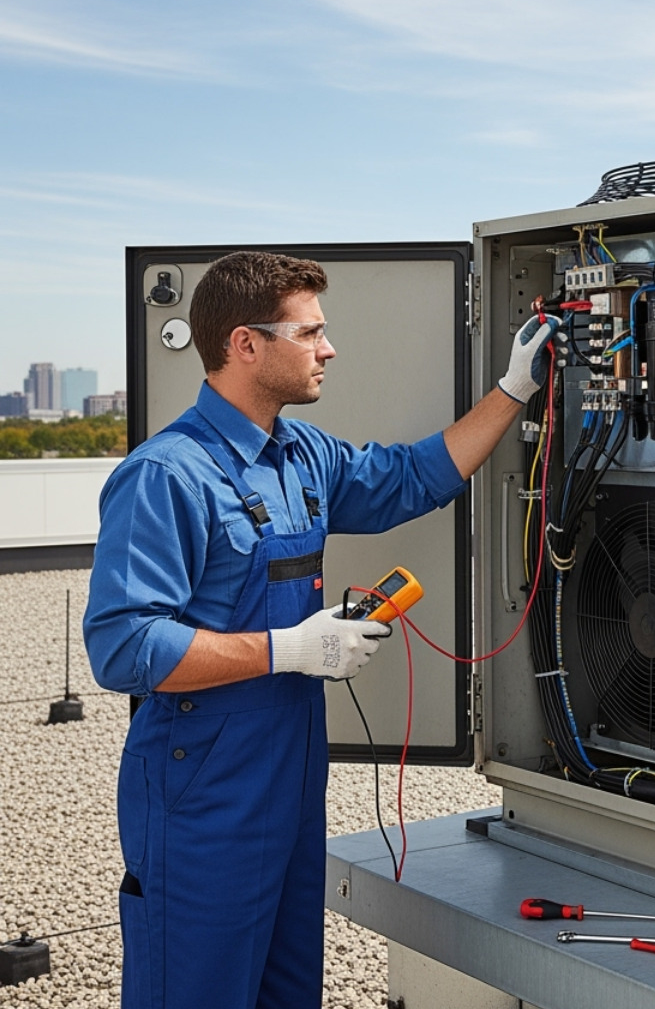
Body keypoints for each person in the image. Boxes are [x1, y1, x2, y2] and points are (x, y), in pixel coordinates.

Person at [83, 251, 554, 1009]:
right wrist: (292, 649)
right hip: (201, 800)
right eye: (310, 333)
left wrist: (513, 391)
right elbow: (123, 645)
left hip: (291, 785)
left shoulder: (303, 457)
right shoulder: (167, 475)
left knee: (287, 991)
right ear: (245, 344)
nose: (328, 349)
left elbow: (414, 477)